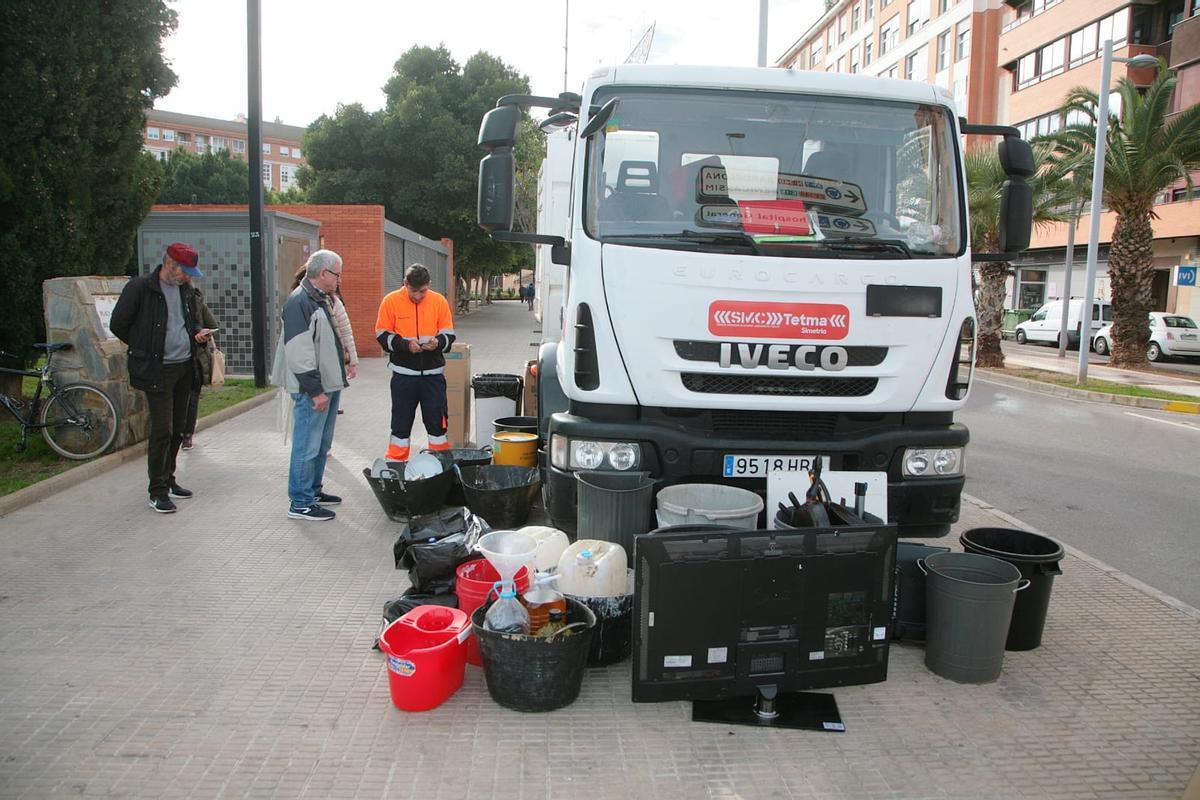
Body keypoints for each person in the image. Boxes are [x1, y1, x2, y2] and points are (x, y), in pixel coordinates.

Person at [110, 242, 212, 513]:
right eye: (185, 271)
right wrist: (145, 348)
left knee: (179, 427)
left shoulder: (186, 290)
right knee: (162, 430)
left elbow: (187, 323)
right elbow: (118, 324)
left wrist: (196, 337)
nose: (188, 277)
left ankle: (169, 479)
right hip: (157, 369)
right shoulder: (141, 288)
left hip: (184, 366)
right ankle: (157, 491)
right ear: (169, 264)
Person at [271, 250, 348, 521]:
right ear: (323, 273)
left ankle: (313, 491)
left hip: (328, 383)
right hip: (312, 389)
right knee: (307, 444)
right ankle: (300, 502)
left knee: (321, 442)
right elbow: (299, 351)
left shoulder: (322, 298)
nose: (340, 279)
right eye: (337, 273)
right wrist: (315, 390)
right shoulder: (300, 302)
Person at [375, 263, 455, 461]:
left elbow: (449, 334)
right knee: (401, 425)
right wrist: (405, 345)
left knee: (437, 425)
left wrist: (438, 342)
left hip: (433, 377)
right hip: (403, 377)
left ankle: (440, 465)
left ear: (429, 284)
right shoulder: (390, 301)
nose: (418, 296)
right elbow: (382, 335)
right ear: (405, 284)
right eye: (413, 291)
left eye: (423, 291)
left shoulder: (439, 301)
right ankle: (396, 465)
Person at [180, 280, 219, 450]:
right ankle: (187, 435)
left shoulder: (193, 301)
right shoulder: (197, 300)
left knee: (189, 396)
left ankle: (183, 433)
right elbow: (213, 325)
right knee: (192, 397)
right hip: (195, 358)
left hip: (190, 357)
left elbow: (212, 326)